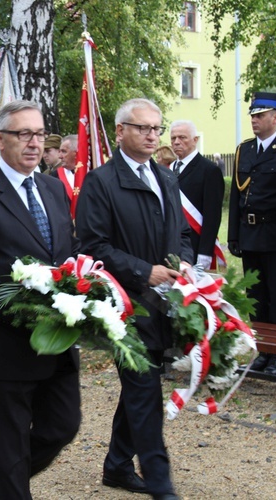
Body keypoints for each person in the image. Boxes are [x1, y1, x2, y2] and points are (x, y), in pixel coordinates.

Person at [0, 100, 81, 499]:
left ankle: (11, 469)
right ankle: (10, 477)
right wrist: (26, 307)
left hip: (58, 346)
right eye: (23, 134)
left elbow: (66, 252)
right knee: (8, 458)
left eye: (39, 134)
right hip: (8, 350)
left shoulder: (54, 188)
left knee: (64, 426)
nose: (34, 143)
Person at [75, 98, 191, 500]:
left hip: (164, 303)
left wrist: (185, 264)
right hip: (124, 304)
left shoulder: (167, 178)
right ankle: (161, 484)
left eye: (156, 129)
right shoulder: (101, 182)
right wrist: (144, 271)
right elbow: (92, 245)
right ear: (120, 130)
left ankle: (117, 465)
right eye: (142, 128)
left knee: (142, 384)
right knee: (144, 390)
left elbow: (183, 236)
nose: (151, 135)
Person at [228, 92, 276, 375]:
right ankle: (263, 350)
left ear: (275, 118)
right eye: (252, 116)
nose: (254, 120)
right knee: (256, 296)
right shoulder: (245, 149)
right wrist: (234, 234)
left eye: (260, 116)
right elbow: (236, 197)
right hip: (250, 233)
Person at [169, 120, 225, 268]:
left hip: (195, 244)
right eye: (173, 138)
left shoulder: (209, 170)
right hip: (171, 244)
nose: (176, 142)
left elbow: (212, 215)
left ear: (195, 140)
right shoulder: (168, 169)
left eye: (182, 137)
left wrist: (205, 252)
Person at [52, 134, 79, 207]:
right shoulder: (54, 177)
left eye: (64, 151)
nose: (59, 156)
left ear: (76, 153)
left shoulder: (92, 172)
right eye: (59, 152)